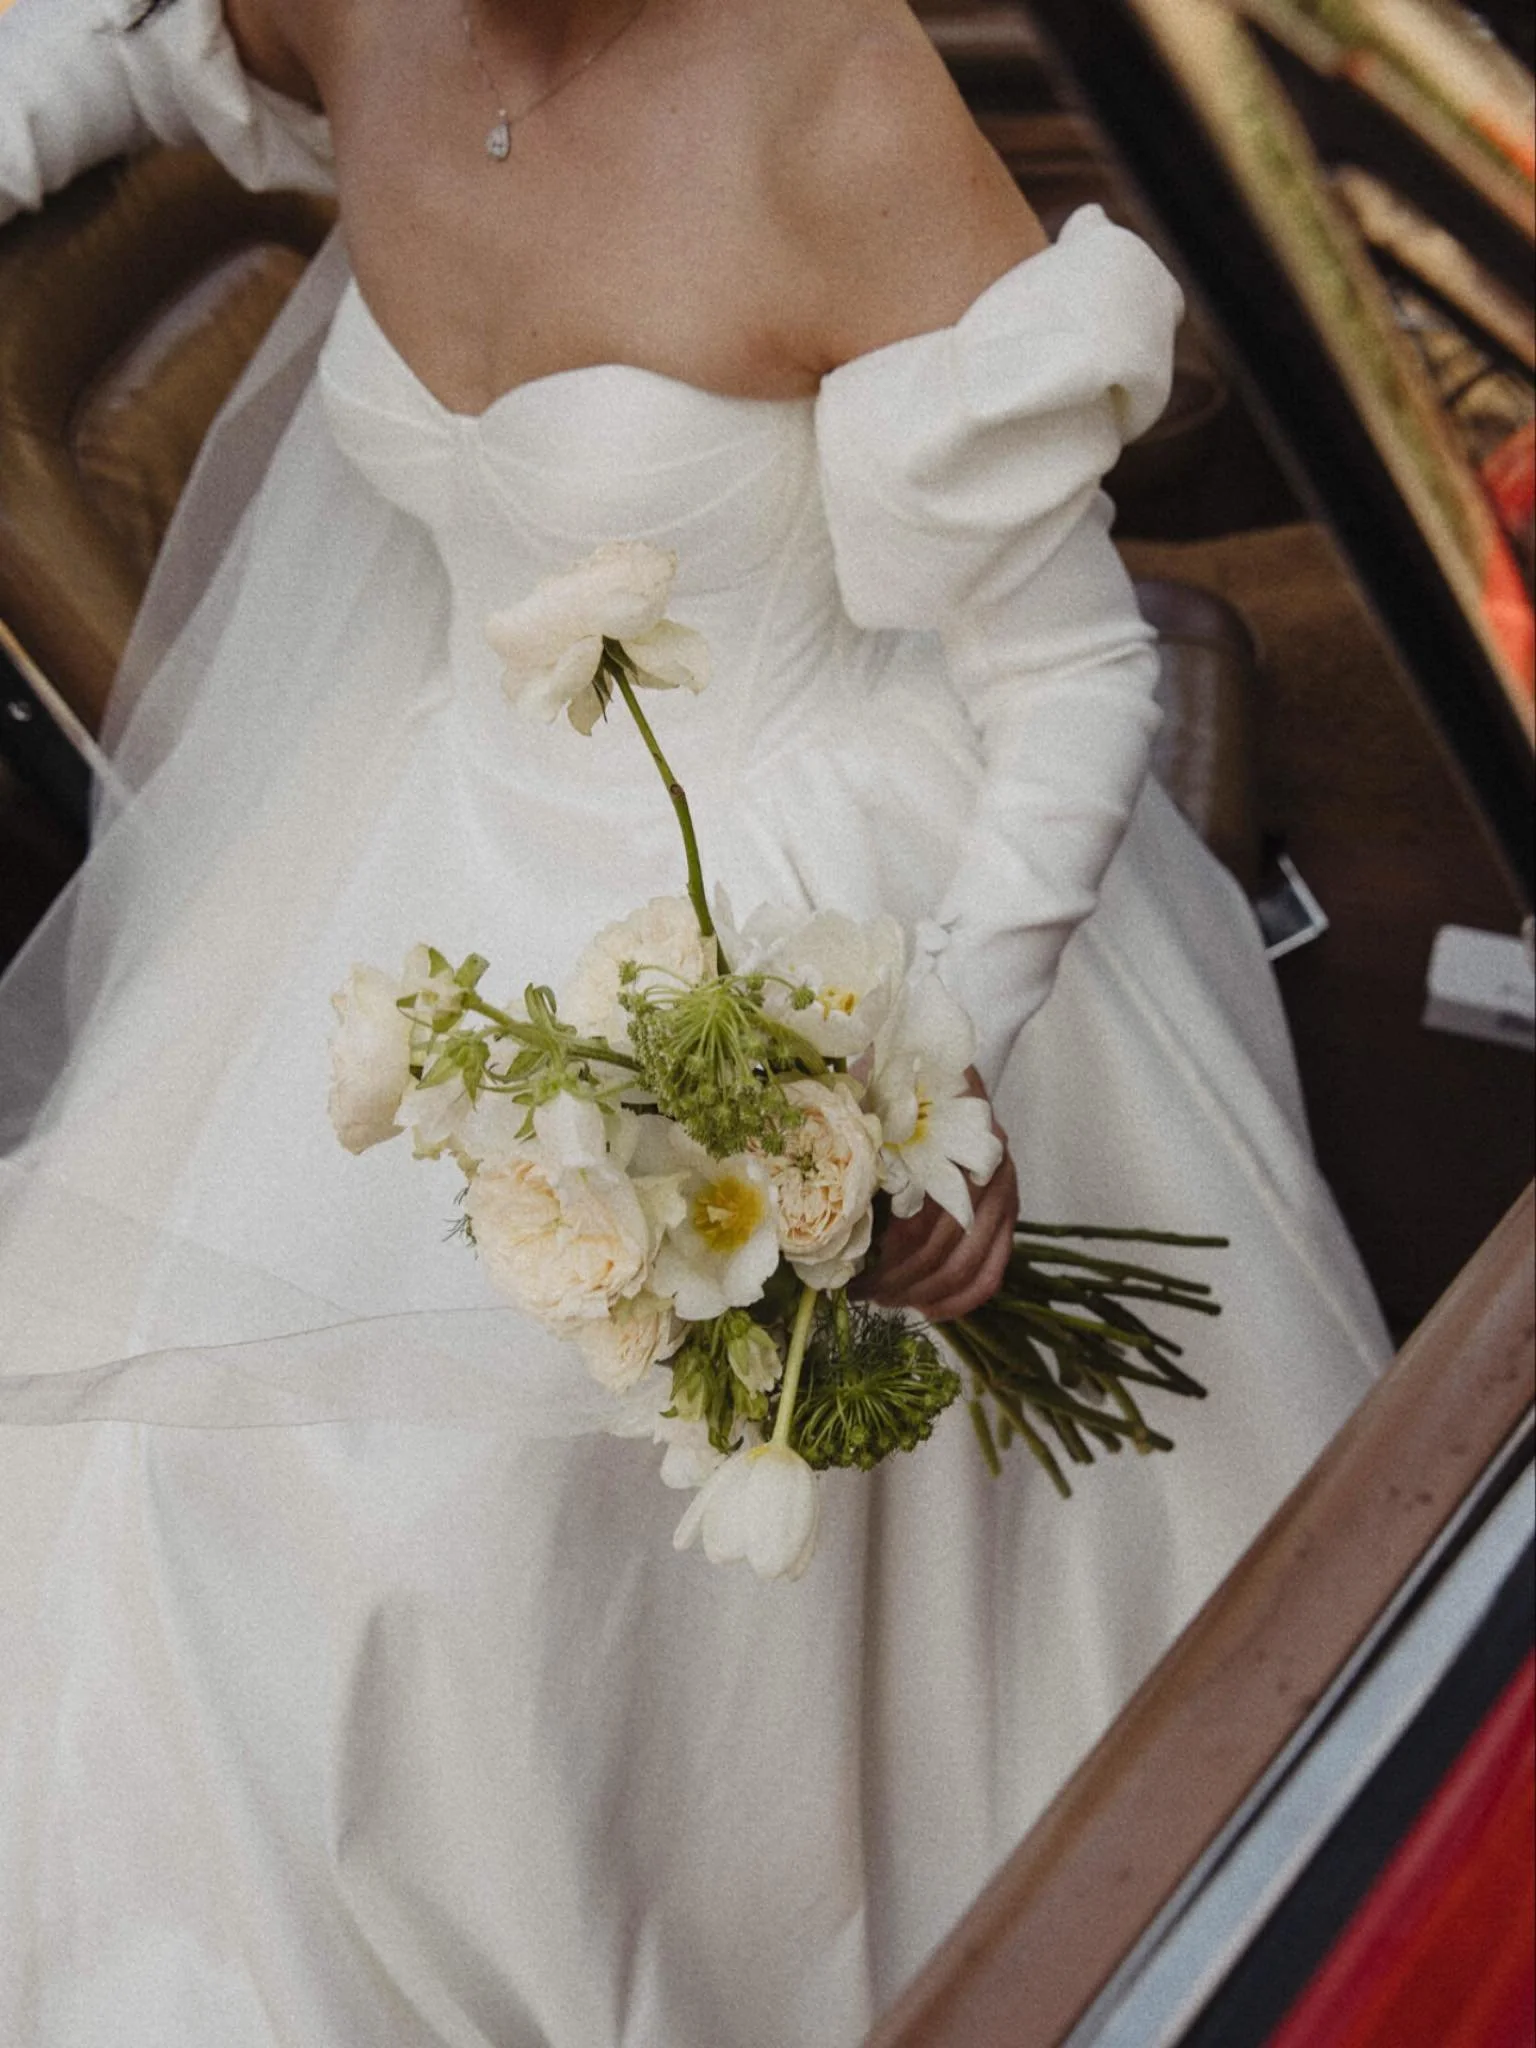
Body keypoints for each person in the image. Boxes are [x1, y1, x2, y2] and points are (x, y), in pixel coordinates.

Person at [0, 2, 1390, 2041]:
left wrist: (939, 1064)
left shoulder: (834, 93)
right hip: (418, 885)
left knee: (481, 1551)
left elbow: (1072, 673)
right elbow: (112, 44)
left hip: (811, 915)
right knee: (168, 1486)